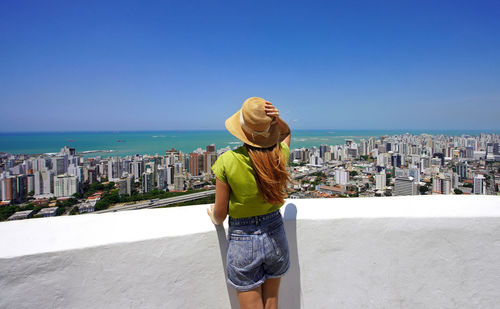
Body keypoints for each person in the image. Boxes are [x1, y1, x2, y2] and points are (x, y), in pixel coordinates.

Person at [207, 97, 292, 309]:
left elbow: (221, 214)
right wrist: (276, 120)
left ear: (241, 130)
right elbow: (287, 133)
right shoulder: (279, 154)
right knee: (272, 302)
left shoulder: (227, 161)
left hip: (242, 238)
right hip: (276, 233)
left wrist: (213, 217)